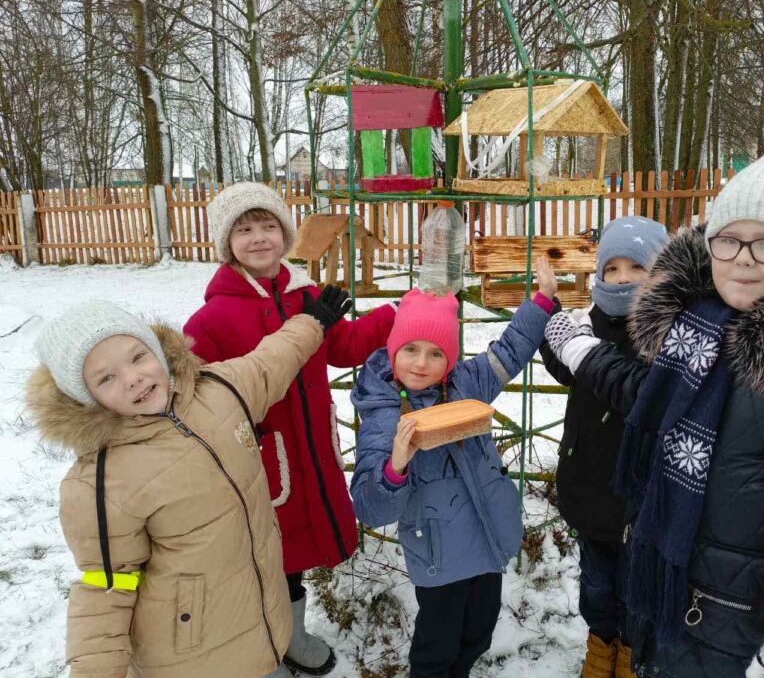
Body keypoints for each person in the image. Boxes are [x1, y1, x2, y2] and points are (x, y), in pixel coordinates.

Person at [543, 153, 764, 678]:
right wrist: (582, 351)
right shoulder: (697, 332)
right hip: (668, 603)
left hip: (741, 628)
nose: (744, 259)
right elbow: (650, 398)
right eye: (729, 239)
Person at [26, 299, 335, 677]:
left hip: (261, 617)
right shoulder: (100, 482)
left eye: (138, 356)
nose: (133, 378)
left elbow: (270, 361)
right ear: (85, 397)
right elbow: (104, 590)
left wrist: (312, 322)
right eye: (106, 378)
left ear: (155, 349)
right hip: (191, 658)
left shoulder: (219, 390)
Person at [184, 182, 396, 675]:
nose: (259, 238)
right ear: (226, 243)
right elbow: (196, 392)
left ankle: (292, 633)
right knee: (259, 557)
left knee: (292, 554)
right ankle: (263, 649)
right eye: (244, 230)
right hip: (257, 458)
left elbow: (341, 347)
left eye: (268, 226)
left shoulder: (306, 295)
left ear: (285, 233)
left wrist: (395, 315)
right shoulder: (213, 316)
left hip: (310, 453)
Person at [349, 257, 558, 678]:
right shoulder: (385, 411)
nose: (421, 363)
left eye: (435, 352)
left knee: (477, 636)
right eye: (410, 349)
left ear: (450, 358)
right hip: (438, 556)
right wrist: (395, 468)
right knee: (435, 651)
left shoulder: (467, 384)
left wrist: (541, 303)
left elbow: (510, 350)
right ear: (394, 350)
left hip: (486, 539)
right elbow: (371, 509)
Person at [540, 216, 668, 678]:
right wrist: (549, 310)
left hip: (641, 500)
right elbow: (563, 365)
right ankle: (601, 644)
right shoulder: (588, 322)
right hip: (589, 485)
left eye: (636, 266)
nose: (621, 278)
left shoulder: (666, 336)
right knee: (596, 584)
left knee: (637, 588)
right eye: (611, 269)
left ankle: (632, 654)